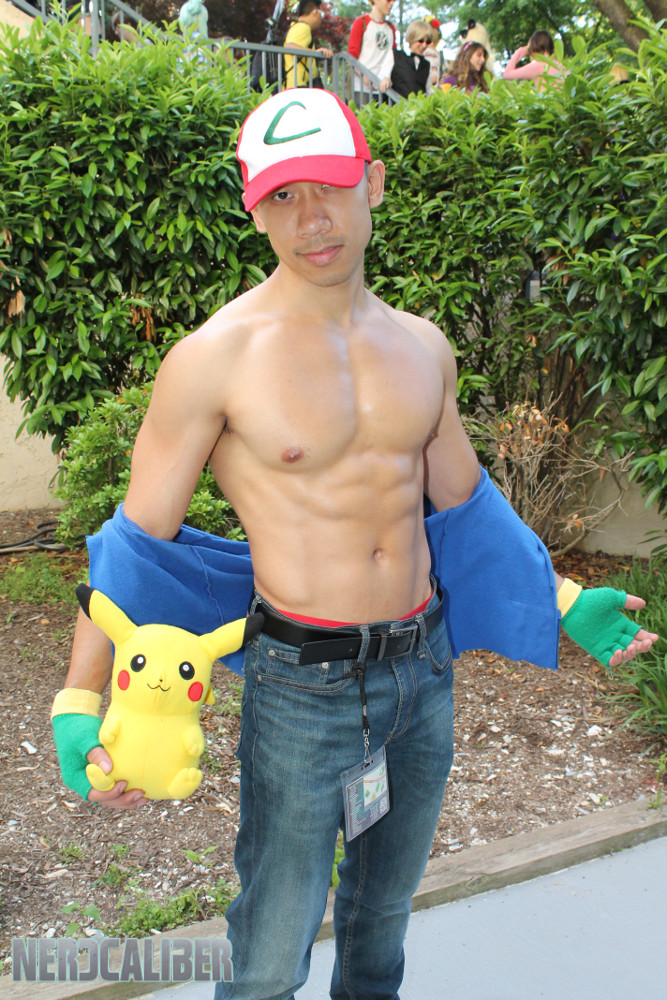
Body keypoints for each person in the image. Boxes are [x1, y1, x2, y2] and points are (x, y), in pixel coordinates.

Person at [51, 88, 658, 999]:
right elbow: (135, 545)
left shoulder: (422, 347)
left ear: (370, 183)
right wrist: (77, 700)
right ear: (255, 211)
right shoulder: (214, 358)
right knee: (271, 944)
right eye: (283, 196)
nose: (312, 219)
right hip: (304, 687)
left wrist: (562, 596)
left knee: (381, 921)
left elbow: (465, 507)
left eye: (329, 187)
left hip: (421, 670)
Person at [347, 0, 396, 101]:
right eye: (388, 0)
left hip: (383, 89)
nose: (392, 3)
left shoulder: (391, 28)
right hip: (361, 89)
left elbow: (392, 57)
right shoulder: (361, 22)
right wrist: (363, 75)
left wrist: (387, 77)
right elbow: (351, 57)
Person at [283, 0, 333, 91]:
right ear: (315, 12)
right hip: (298, 85)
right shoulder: (303, 27)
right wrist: (315, 52)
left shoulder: (295, 27)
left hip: (294, 85)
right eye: (320, 13)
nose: (321, 18)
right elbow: (290, 46)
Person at [390, 19, 431, 99]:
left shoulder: (426, 64)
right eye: (420, 41)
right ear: (411, 38)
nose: (424, 45)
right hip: (397, 105)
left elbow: (429, 89)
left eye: (428, 42)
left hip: (418, 105)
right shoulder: (396, 56)